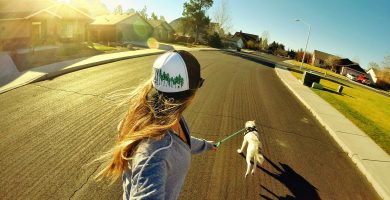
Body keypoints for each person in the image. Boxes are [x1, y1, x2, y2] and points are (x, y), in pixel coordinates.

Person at [96, 50, 216, 200]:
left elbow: (181, 141)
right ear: (192, 91)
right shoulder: (156, 154)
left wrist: (206, 145)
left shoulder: (167, 116)